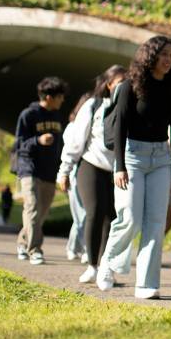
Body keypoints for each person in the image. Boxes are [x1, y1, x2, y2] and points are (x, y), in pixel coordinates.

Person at [96, 36, 171, 299]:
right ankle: (108, 262)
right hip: (132, 157)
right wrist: (119, 166)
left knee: (156, 224)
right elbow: (120, 126)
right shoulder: (129, 87)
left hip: (160, 159)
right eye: (163, 54)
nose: (168, 60)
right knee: (130, 217)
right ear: (150, 56)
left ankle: (146, 284)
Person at [57, 65, 127, 284]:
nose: (124, 87)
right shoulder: (94, 105)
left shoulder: (130, 108)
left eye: (128, 82)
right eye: (119, 82)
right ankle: (92, 266)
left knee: (113, 218)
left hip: (119, 170)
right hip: (91, 165)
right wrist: (65, 170)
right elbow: (77, 140)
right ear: (109, 85)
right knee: (95, 212)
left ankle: (106, 266)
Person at [13, 76, 68, 265]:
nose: (63, 100)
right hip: (29, 169)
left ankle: (22, 242)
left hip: (49, 171)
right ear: (48, 97)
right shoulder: (28, 115)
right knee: (33, 207)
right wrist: (38, 140)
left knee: (41, 213)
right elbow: (19, 144)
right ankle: (35, 250)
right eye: (60, 96)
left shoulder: (56, 116)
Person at [63, 95, 89, 263]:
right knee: (81, 214)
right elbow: (70, 150)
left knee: (84, 214)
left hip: (87, 172)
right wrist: (64, 173)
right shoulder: (72, 127)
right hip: (74, 172)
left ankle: (74, 247)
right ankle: (84, 248)